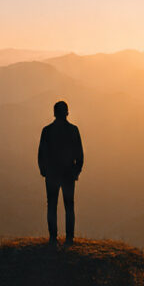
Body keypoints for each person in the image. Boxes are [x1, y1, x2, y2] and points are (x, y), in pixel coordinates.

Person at [38, 100, 84, 244]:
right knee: (69, 205)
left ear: (54, 113)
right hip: (68, 174)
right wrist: (76, 172)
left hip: (52, 174)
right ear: (67, 113)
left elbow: (41, 154)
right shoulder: (73, 130)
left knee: (52, 205)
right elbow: (80, 155)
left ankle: (53, 237)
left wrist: (44, 171)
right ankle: (69, 238)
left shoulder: (47, 131)